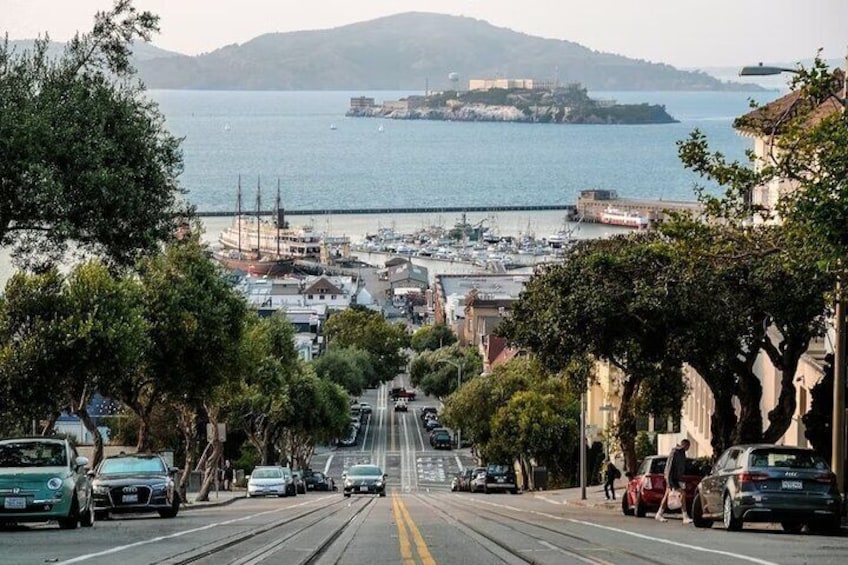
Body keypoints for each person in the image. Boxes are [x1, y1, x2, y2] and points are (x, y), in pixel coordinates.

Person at [655, 438, 691, 524]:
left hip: (676, 478)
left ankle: (659, 513)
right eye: (688, 446)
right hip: (672, 478)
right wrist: (669, 481)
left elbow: (681, 468)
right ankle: (685, 516)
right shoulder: (675, 452)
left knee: (667, 495)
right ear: (684, 445)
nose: (688, 448)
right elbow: (669, 466)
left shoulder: (682, 454)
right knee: (682, 494)